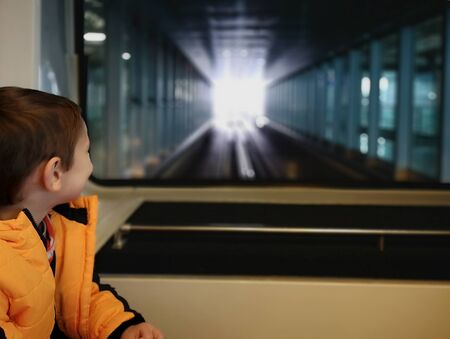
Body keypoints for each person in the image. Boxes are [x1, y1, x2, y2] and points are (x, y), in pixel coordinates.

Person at [0, 87, 164, 339]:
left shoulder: (52, 225)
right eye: (86, 151)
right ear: (55, 173)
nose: (91, 163)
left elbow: (77, 295)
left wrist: (121, 328)